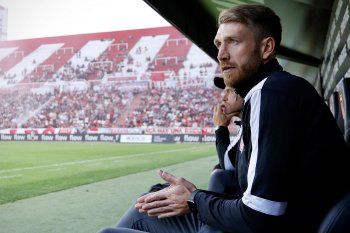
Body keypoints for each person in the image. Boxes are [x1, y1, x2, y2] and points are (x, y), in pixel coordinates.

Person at [100, 4, 349, 233]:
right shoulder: (266, 94)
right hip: (271, 221)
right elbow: (235, 169)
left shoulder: (271, 93)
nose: (221, 54)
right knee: (154, 199)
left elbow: (260, 214)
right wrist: (194, 197)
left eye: (233, 42)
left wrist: (195, 199)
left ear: (266, 48)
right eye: (219, 43)